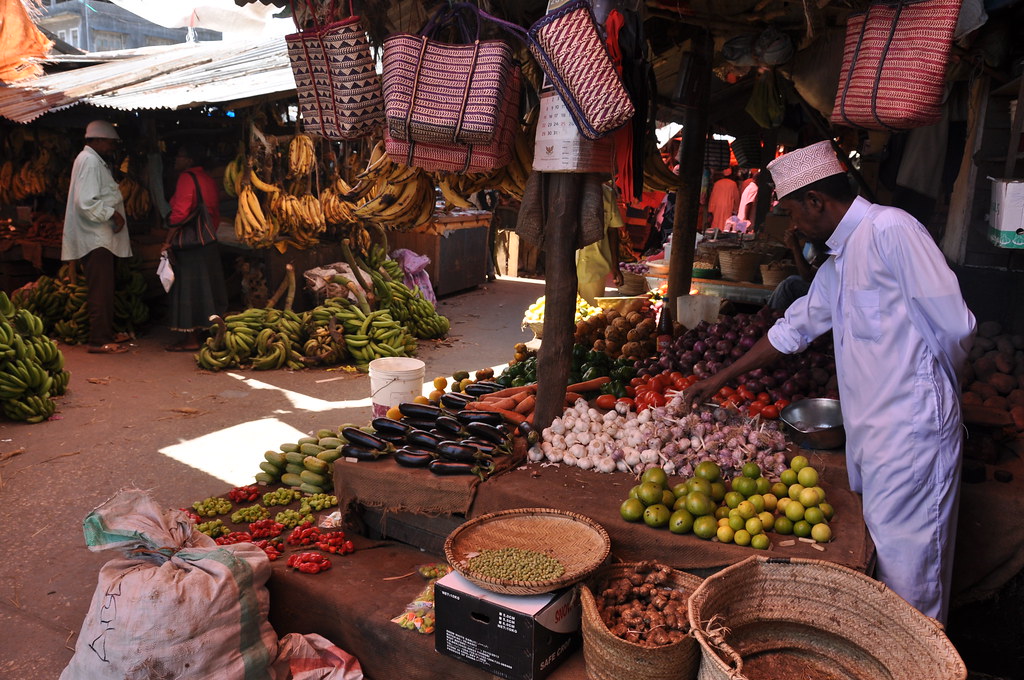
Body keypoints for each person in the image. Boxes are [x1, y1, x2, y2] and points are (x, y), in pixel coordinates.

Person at [681, 140, 975, 624]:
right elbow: (795, 328)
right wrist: (719, 379)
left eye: (794, 212)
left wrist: (933, 401)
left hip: (911, 434)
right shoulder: (841, 257)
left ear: (817, 200)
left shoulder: (891, 231)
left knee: (911, 576)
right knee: (881, 560)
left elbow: (955, 328)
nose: (792, 226)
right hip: (871, 433)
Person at [61, 120, 133, 354]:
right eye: (111, 143)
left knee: (105, 287)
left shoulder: (92, 160)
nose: (113, 147)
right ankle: (98, 340)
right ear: (99, 140)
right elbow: (86, 202)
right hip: (96, 238)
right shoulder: (90, 162)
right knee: (100, 289)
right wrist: (112, 214)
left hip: (100, 238)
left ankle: (106, 333)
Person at [162, 143, 228, 352]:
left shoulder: (187, 178)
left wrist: (168, 239)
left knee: (186, 291)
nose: (176, 160)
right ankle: (207, 331)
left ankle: (189, 339)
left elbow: (180, 212)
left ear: (190, 160)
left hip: (190, 246)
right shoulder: (207, 179)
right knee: (206, 290)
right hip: (207, 241)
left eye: (180, 155)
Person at [577, 183, 625, 306]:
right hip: (564, 266)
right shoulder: (564, 189)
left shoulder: (607, 193)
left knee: (590, 316)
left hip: (595, 267)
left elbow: (612, 230)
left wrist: (615, 266)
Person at [765, 223, 827, 311]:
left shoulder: (826, 243)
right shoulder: (810, 243)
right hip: (819, 286)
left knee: (789, 284)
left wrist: (795, 247)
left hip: (824, 291)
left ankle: (769, 316)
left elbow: (808, 277)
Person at [707, 167, 739, 233]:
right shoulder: (733, 184)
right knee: (726, 225)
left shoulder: (717, 183)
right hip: (728, 207)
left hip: (717, 207)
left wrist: (711, 210)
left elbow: (712, 197)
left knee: (716, 223)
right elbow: (736, 198)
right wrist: (736, 209)